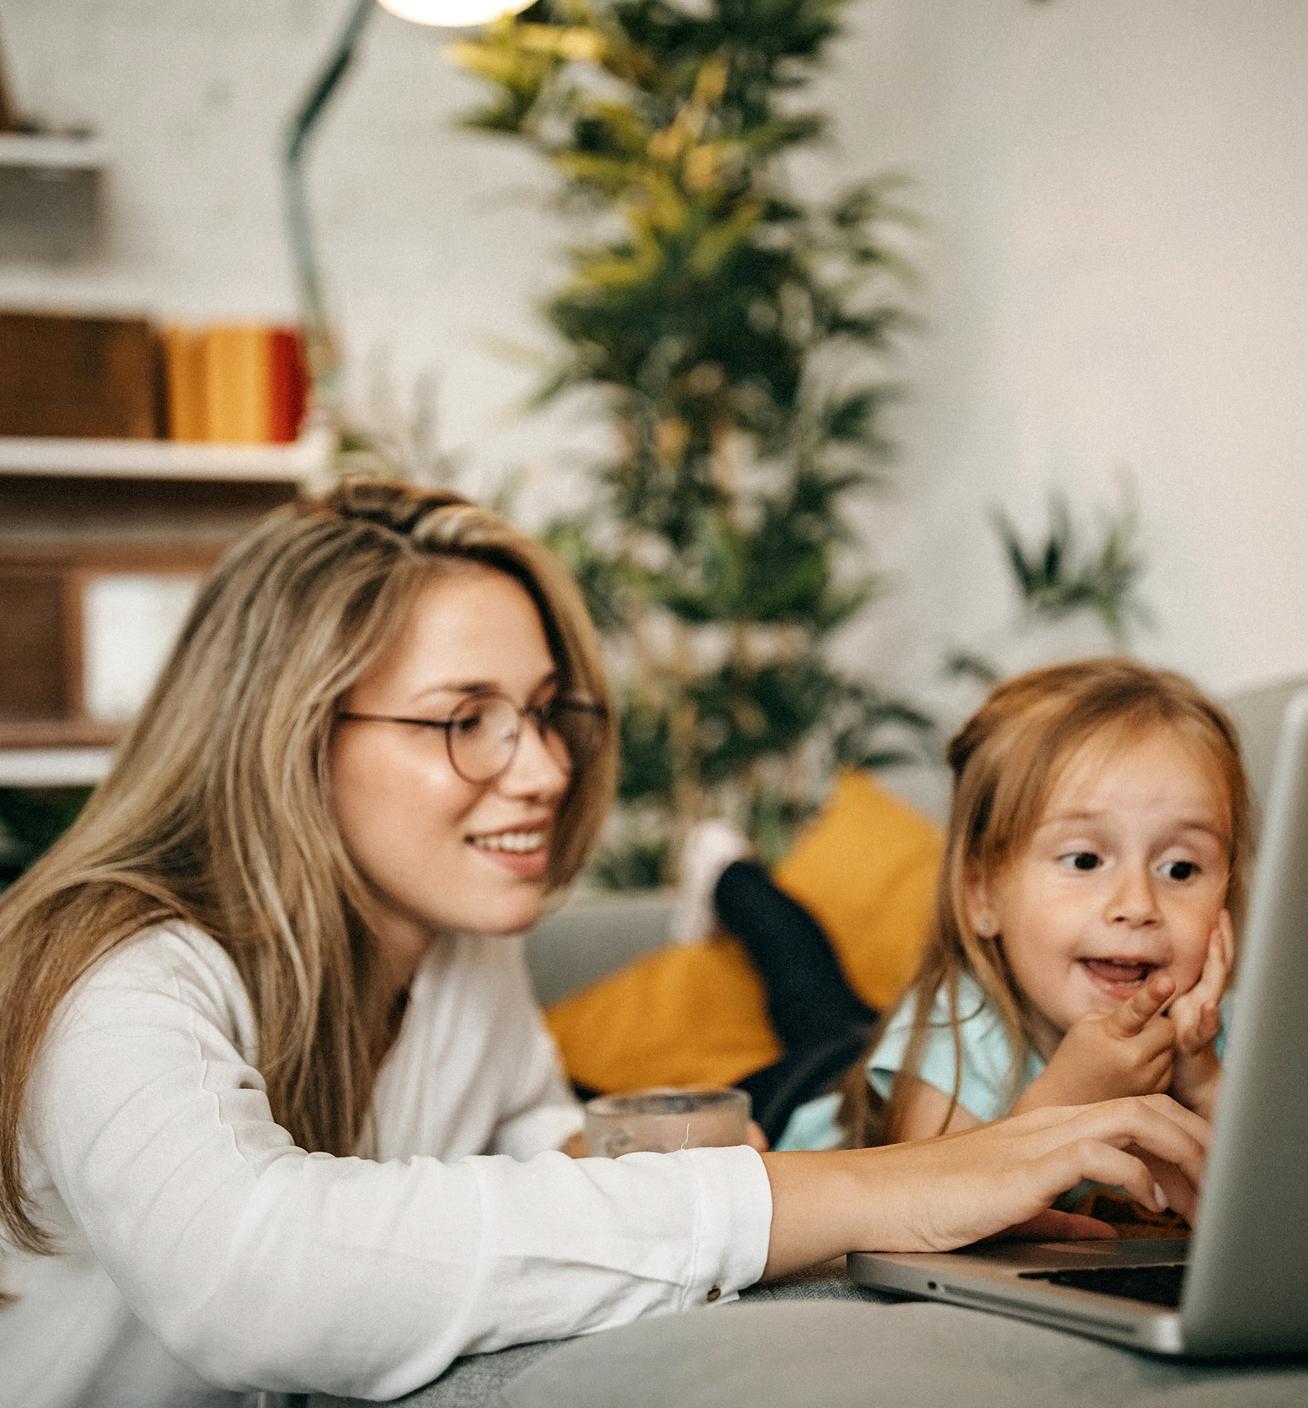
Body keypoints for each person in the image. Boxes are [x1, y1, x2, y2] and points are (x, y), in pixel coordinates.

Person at [0, 481, 1210, 1408]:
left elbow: (535, 1143)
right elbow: (252, 1273)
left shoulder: (455, 958)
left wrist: (678, 1161)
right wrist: (865, 1186)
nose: (544, 768)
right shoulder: (120, 972)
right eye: (464, 720)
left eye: (541, 712)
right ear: (290, 735)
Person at [773, 657, 1250, 1155]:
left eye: (1179, 869)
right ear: (983, 893)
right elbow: (937, 1214)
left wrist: (1207, 1087)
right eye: (1085, 860)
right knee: (809, 997)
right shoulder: (953, 1037)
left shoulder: (1222, 1036)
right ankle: (730, 875)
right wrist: (1068, 1100)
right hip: (802, 1091)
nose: (1137, 906)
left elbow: (1293, 1201)